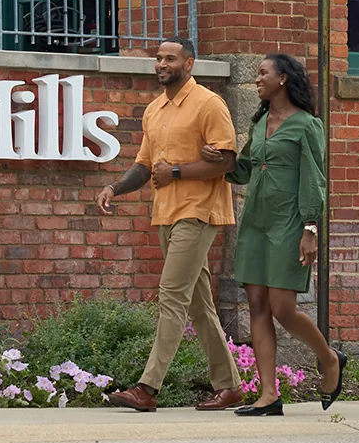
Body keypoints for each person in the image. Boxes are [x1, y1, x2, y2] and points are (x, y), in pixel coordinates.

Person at [93, 37, 246, 412]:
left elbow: (227, 162)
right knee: (198, 305)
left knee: (171, 296)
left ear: (189, 64)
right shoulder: (154, 109)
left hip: (198, 211)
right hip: (165, 212)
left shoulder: (209, 104)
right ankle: (230, 386)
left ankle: (147, 388)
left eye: (170, 58)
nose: (162, 64)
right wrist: (115, 187)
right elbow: (146, 166)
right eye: (158, 58)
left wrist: (176, 171)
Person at [200, 53, 344, 416]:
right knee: (258, 306)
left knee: (283, 308)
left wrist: (310, 228)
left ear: (283, 79)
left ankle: (329, 358)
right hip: (255, 223)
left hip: (289, 224)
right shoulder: (262, 120)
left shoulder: (307, 125)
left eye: (263, 73)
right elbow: (245, 169)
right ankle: (268, 395)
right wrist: (220, 160)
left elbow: (315, 180)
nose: (258, 79)